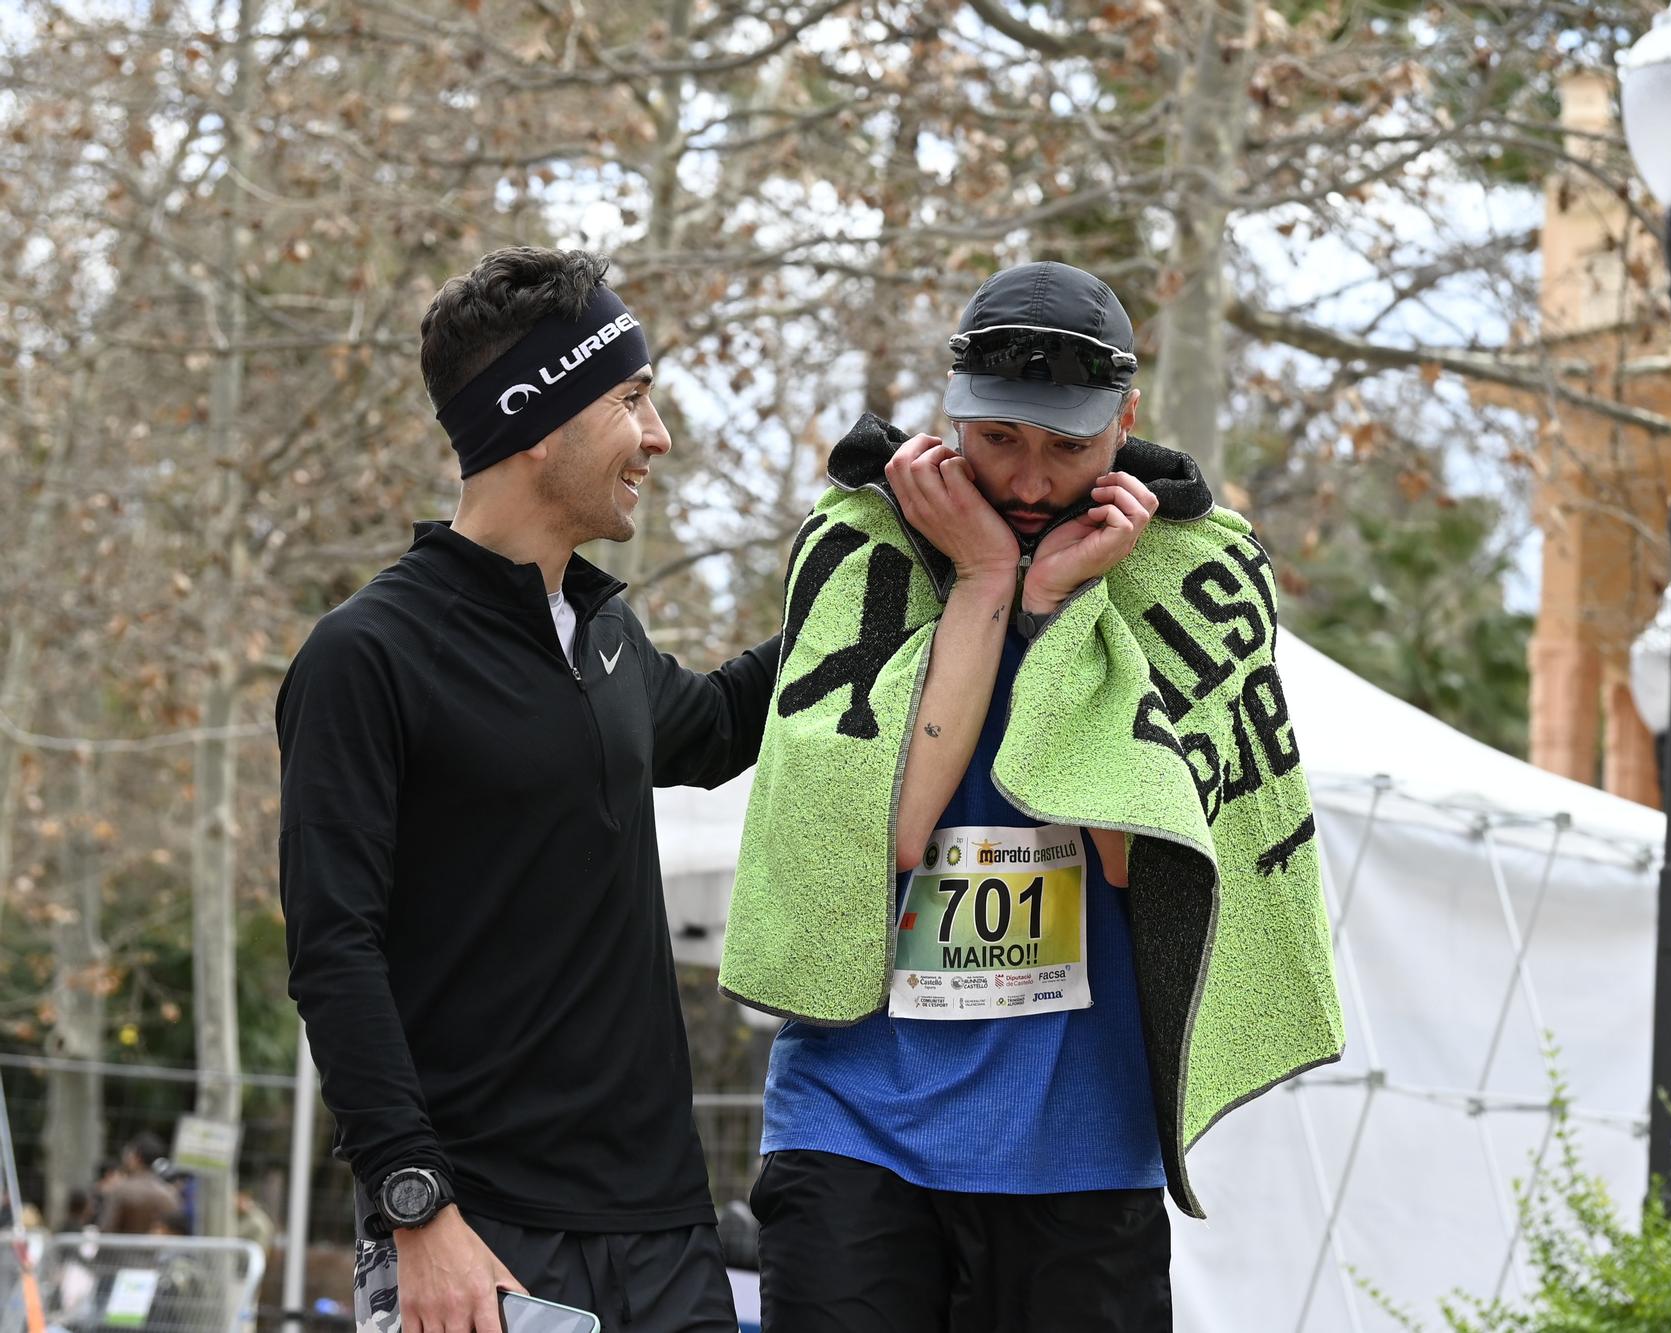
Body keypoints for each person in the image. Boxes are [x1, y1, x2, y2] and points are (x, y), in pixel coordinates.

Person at [723, 260, 1345, 1332]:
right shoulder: (857, 544)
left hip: (1079, 1143)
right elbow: (891, 837)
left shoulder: (1194, 570)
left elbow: (1131, 859)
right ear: (952, 409)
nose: (1025, 480)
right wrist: (976, 583)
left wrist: (1056, 608)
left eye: (1068, 447)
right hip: (854, 1121)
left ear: (1126, 422)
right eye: (999, 436)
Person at [278, 247, 780, 1333]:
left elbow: (727, 721)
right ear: (535, 419)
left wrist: (888, 566)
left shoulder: (602, 634)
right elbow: (333, 953)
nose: (656, 437)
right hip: (477, 1236)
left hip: (665, 1233)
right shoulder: (365, 656)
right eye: (632, 400)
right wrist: (419, 1209)